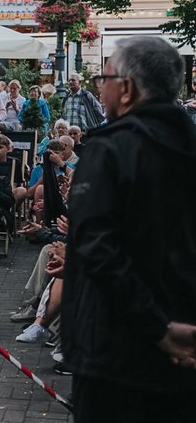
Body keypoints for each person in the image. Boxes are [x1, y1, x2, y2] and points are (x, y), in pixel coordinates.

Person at [62, 37, 196, 421]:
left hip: (115, 354)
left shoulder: (109, 149)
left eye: (103, 79)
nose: (99, 89)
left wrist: (158, 328)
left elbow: (97, 248)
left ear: (127, 89)